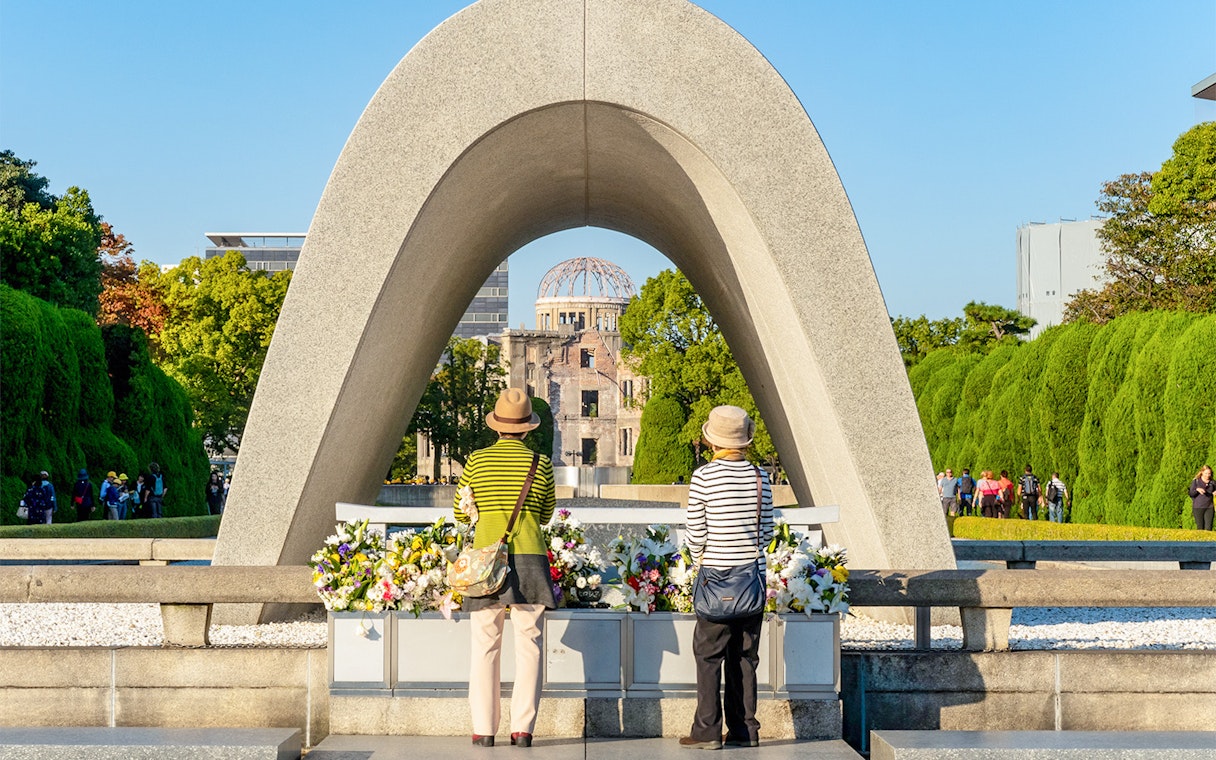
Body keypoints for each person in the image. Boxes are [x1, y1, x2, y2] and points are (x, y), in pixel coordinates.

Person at [454, 388, 556, 748]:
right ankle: (523, 729)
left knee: (485, 645)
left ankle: (484, 729)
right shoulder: (540, 464)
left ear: (497, 427)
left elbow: (459, 511)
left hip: (486, 563)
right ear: (527, 429)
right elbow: (545, 515)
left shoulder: (476, 462)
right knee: (530, 645)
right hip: (530, 558)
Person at [680, 405, 775, 750]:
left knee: (708, 656)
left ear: (712, 440)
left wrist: (697, 559)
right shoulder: (760, 477)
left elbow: (696, 532)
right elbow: (766, 533)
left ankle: (706, 731)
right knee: (745, 657)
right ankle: (744, 730)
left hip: (714, 579)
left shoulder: (703, 477)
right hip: (751, 580)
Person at [1188, 465, 1214, 531]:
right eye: (1206, 473)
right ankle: (1200, 541)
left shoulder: (1213, 482)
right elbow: (1191, 493)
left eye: (1209, 473)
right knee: (1200, 527)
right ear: (1202, 472)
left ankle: (1208, 541)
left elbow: (1213, 491)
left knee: (1208, 528)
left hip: (1209, 507)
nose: (1207, 475)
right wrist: (1197, 489)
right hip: (1198, 507)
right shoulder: (1196, 481)